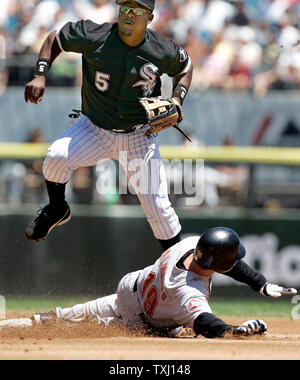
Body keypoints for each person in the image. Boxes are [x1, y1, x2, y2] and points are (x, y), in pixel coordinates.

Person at [24, 0, 193, 251]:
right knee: (56, 157)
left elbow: (186, 67)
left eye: (137, 11)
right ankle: (58, 208)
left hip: (139, 136)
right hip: (94, 127)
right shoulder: (95, 35)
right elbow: (54, 39)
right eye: (125, 8)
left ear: (150, 17)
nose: (129, 14)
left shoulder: (161, 49)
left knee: (159, 211)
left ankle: (177, 272)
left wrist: (177, 99)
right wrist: (40, 74)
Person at [1, 227, 297, 338]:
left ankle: (12, 327)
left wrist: (259, 283)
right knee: (77, 329)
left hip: (129, 288)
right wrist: (234, 330)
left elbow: (224, 262)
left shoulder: (192, 245)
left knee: (62, 315)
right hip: (139, 322)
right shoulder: (188, 292)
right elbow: (206, 323)